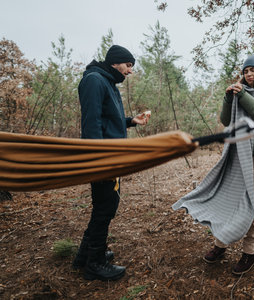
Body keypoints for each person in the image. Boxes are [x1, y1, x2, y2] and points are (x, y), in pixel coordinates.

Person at [73, 45, 150, 281]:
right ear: (116, 62)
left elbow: (109, 120)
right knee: (105, 207)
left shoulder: (107, 82)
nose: (130, 71)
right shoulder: (95, 80)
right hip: (103, 159)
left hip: (111, 158)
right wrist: (99, 161)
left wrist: (131, 121)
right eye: (128, 66)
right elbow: (92, 124)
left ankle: (85, 256)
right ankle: (94, 264)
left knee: (105, 206)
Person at [203, 55, 254, 275]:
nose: (249, 74)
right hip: (239, 153)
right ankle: (220, 245)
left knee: (252, 204)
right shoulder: (239, 92)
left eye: (253, 70)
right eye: (246, 70)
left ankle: (250, 252)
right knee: (230, 199)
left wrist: (244, 95)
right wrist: (228, 99)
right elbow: (227, 121)